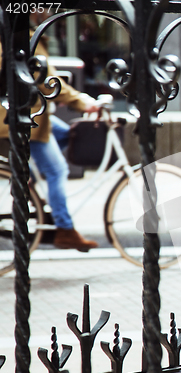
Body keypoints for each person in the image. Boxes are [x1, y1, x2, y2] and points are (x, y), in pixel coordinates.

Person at [0, 28, 100, 252]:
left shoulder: (16, 30)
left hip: (29, 114)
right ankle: (65, 230)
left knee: (67, 134)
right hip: (23, 117)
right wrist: (83, 102)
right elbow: (46, 79)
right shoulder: (21, 33)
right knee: (57, 170)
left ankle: (30, 177)